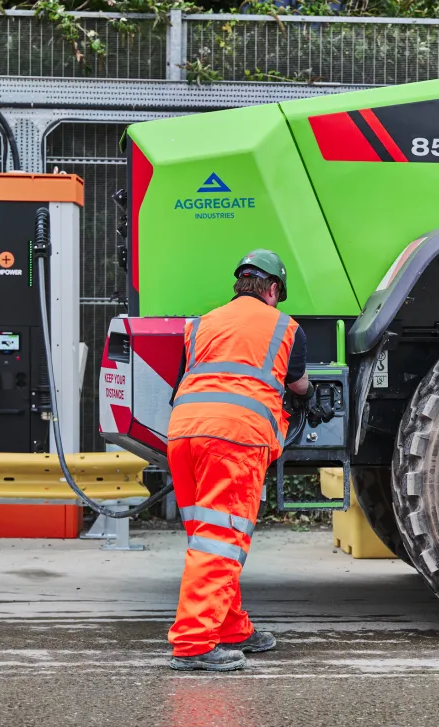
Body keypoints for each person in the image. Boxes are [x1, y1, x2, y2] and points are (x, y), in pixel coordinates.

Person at [166, 249, 311, 672]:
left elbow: (187, 378)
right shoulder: (285, 326)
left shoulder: (200, 324)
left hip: (185, 432)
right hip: (233, 437)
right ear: (272, 289)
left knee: (207, 537)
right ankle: (193, 643)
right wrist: (308, 397)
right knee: (222, 538)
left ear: (239, 285)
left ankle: (230, 628)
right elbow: (297, 383)